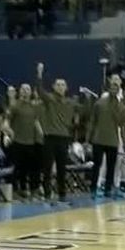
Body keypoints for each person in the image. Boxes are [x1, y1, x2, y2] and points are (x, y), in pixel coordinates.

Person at [34, 62, 73, 205]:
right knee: (48, 168)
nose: (60, 87)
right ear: (54, 87)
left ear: (66, 88)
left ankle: (62, 195)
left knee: (62, 168)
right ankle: (47, 195)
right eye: (58, 85)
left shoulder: (70, 102)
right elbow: (39, 90)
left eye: (63, 85)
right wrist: (39, 74)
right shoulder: (49, 99)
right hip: (50, 137)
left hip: (64, 138)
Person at [87, 75, 125, 199]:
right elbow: (93, 120)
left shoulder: (121, 107)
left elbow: (122, 124)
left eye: (116, 88)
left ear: (119, 90)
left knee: (111, 167)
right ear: (109, 89)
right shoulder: (100, 103)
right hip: (98, 139)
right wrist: (88, 138)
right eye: (112, 88)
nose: (114, 90)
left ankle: (108, 189)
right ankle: (93, 188)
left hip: (113, 140)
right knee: (96, 165)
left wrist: (124, 142)